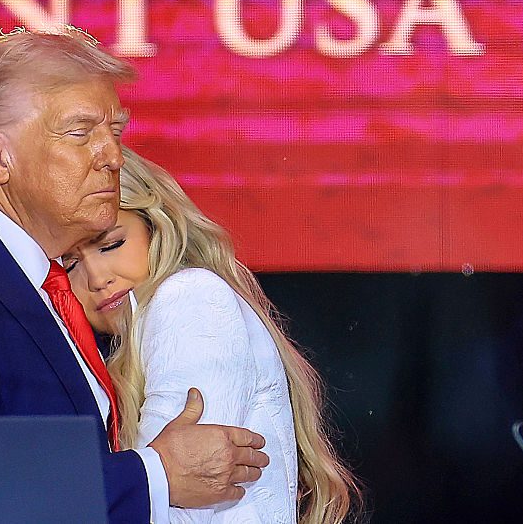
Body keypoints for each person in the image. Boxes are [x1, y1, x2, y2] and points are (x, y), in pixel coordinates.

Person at [0, 28, 270, 523]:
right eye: (80, 133)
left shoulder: (25, 279)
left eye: (114, 132)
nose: (113, 157)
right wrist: (154, 477)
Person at [61, 147, 361, 524]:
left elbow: (176, 510)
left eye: (111, 245)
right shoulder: (136, 336)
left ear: (156, 226)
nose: (96, 278)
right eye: (70, 264)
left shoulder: (189, 300)